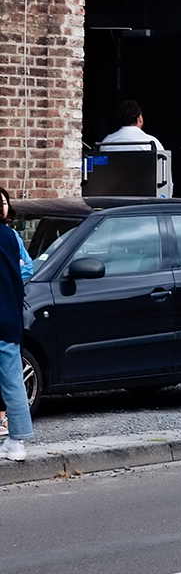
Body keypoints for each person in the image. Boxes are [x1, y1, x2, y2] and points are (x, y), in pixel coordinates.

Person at [0, 185, 33, 461]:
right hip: (9, 317)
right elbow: (24, 270)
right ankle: (17, 443)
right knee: (13, 382)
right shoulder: (11, 236)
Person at [97, 99, 173, 196]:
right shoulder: (151, 142)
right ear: (140, 118)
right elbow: (165, 177)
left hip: (113, 196)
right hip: (145, 198)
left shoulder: (107, 142)